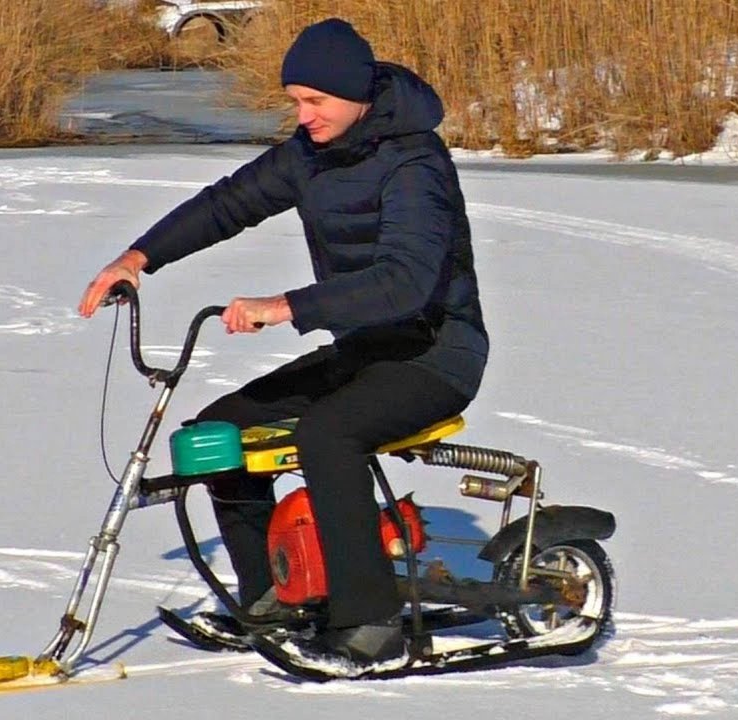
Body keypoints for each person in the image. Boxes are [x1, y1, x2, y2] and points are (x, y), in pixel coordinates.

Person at [78, 18, 488, 665]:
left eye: (316, 101)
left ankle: (371, 625)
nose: (304, 115)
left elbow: (405, 282)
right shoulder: (309, 155)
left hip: (435, 353)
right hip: (363, 353)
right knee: (219, 434)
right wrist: (139, 256)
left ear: (356, 96)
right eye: (296, 101)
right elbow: (228, 203)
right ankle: (272, 600)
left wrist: (285, 307)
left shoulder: (416, 162)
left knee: (327, 434)